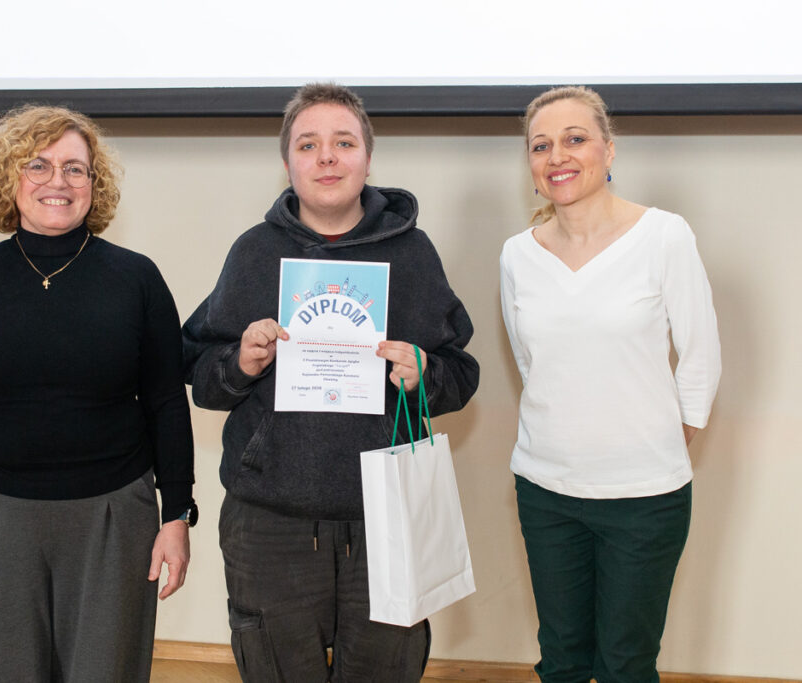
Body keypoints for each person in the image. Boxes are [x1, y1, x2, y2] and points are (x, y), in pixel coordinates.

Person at [183, 83, 479, 682]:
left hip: (387, 519)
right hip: (270, 522)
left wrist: (424, 375)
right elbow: (201, 376)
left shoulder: (412, 253)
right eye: (307, 144)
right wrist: (240, 363)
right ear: (287, 162)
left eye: (343, 143)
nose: (326, 157)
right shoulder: (255, 252)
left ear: (368, 158)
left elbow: (460, 373)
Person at [0, 104, 196, 682]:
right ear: (9, 178)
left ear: (94, 183)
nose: (58, 181)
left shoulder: (137, 278)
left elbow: (165, 404)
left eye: (75, 168)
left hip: (113, 519)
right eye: (38, 165)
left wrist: (177, 514)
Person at [500, 86, 721, 682]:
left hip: (644, 499)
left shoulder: (665, 236)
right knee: (562, 662)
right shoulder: (517, 256)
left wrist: (660, 440)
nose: (557, 156)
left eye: (575, 139)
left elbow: (701, 355)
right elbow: (531, 362)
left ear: (609, 149)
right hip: (545, 491)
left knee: (626, 664)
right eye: (541, 146)